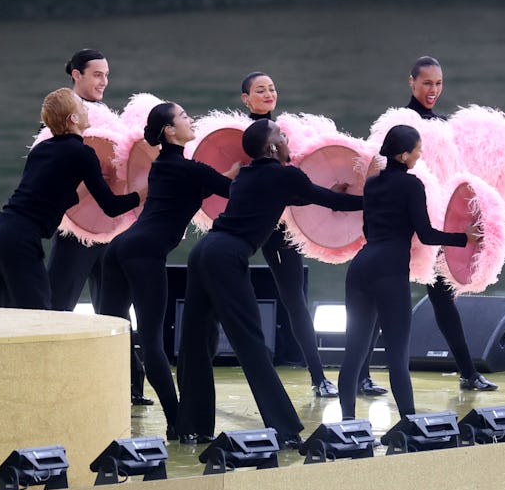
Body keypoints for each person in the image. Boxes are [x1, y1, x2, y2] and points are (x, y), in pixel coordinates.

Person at [176, 118, 362, 446]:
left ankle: (192, 427)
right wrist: (373, 202)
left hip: (204, 250)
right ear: (273, 146)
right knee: (250, 342)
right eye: (282, 135)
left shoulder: (247, 176)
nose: (288, 138)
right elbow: (328, 201)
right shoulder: (283, 175)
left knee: (195, 341)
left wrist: (326, 194)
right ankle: (286, 430)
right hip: (226, 255)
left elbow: (302, 196)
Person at [99, 102, 239, 440]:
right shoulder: (192, 170)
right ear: (169, 130)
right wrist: (246, 173)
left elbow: (199, 190)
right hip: (144, 253)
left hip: (118, 248)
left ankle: (102, 409)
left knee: (112, 339)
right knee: (151, 342)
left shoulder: (161, 166)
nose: (191, 119)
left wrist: (228, 174)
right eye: (184, 117)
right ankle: (176, 421)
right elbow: (230, 191)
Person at [361, 56, 498, 393]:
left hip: (433, 222)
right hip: (397, 224)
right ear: (411, 82)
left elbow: (455, 178)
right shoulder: (397, 124)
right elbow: (374, 170)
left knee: (443, 298)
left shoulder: (445, 126)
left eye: (438, 83)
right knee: (385, 299)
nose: (433, 89)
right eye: (426, 83)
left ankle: (469, 373)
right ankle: (362, 375)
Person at [339, 125, 480, 421]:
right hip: (390, 271)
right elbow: (426, 235)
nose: (420, 154)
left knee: (353, 353)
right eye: (417, 149)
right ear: (403, 155)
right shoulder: (412, 185)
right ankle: (410, 425)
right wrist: (463, 237)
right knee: (397, 357)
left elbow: (367, 229)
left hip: (361, 267)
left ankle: (347, 425)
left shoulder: (373, 184)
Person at [46, 48, 153, 405]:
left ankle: (130, 386)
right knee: (58, 305)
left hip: (111, 227)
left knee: (117, 308)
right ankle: (48, 377)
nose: (103, 81)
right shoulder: (63, 115)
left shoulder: (106, 117)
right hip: (77, 229)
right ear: (76, 74)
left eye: (107, 75)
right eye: (96, 75)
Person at [0, 88, 140, 309]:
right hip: (21, 238)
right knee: (38, 313)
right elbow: (111, 207)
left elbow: (52, 199)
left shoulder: (42, 149)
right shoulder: (83, 153)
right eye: (82, 108)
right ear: (73, 118)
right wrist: (142, 193)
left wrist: (92, 185)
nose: (87, 111)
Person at [238, 71, 341, 398]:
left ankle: (318, 376)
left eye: (271, 88)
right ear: (246, 99)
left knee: (295, 298)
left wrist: (325, 192)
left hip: (281, 227)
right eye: (259, 90)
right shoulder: (235, 135)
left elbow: (299, 181)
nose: (268, 94)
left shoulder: (286, 132)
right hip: (245, 224)